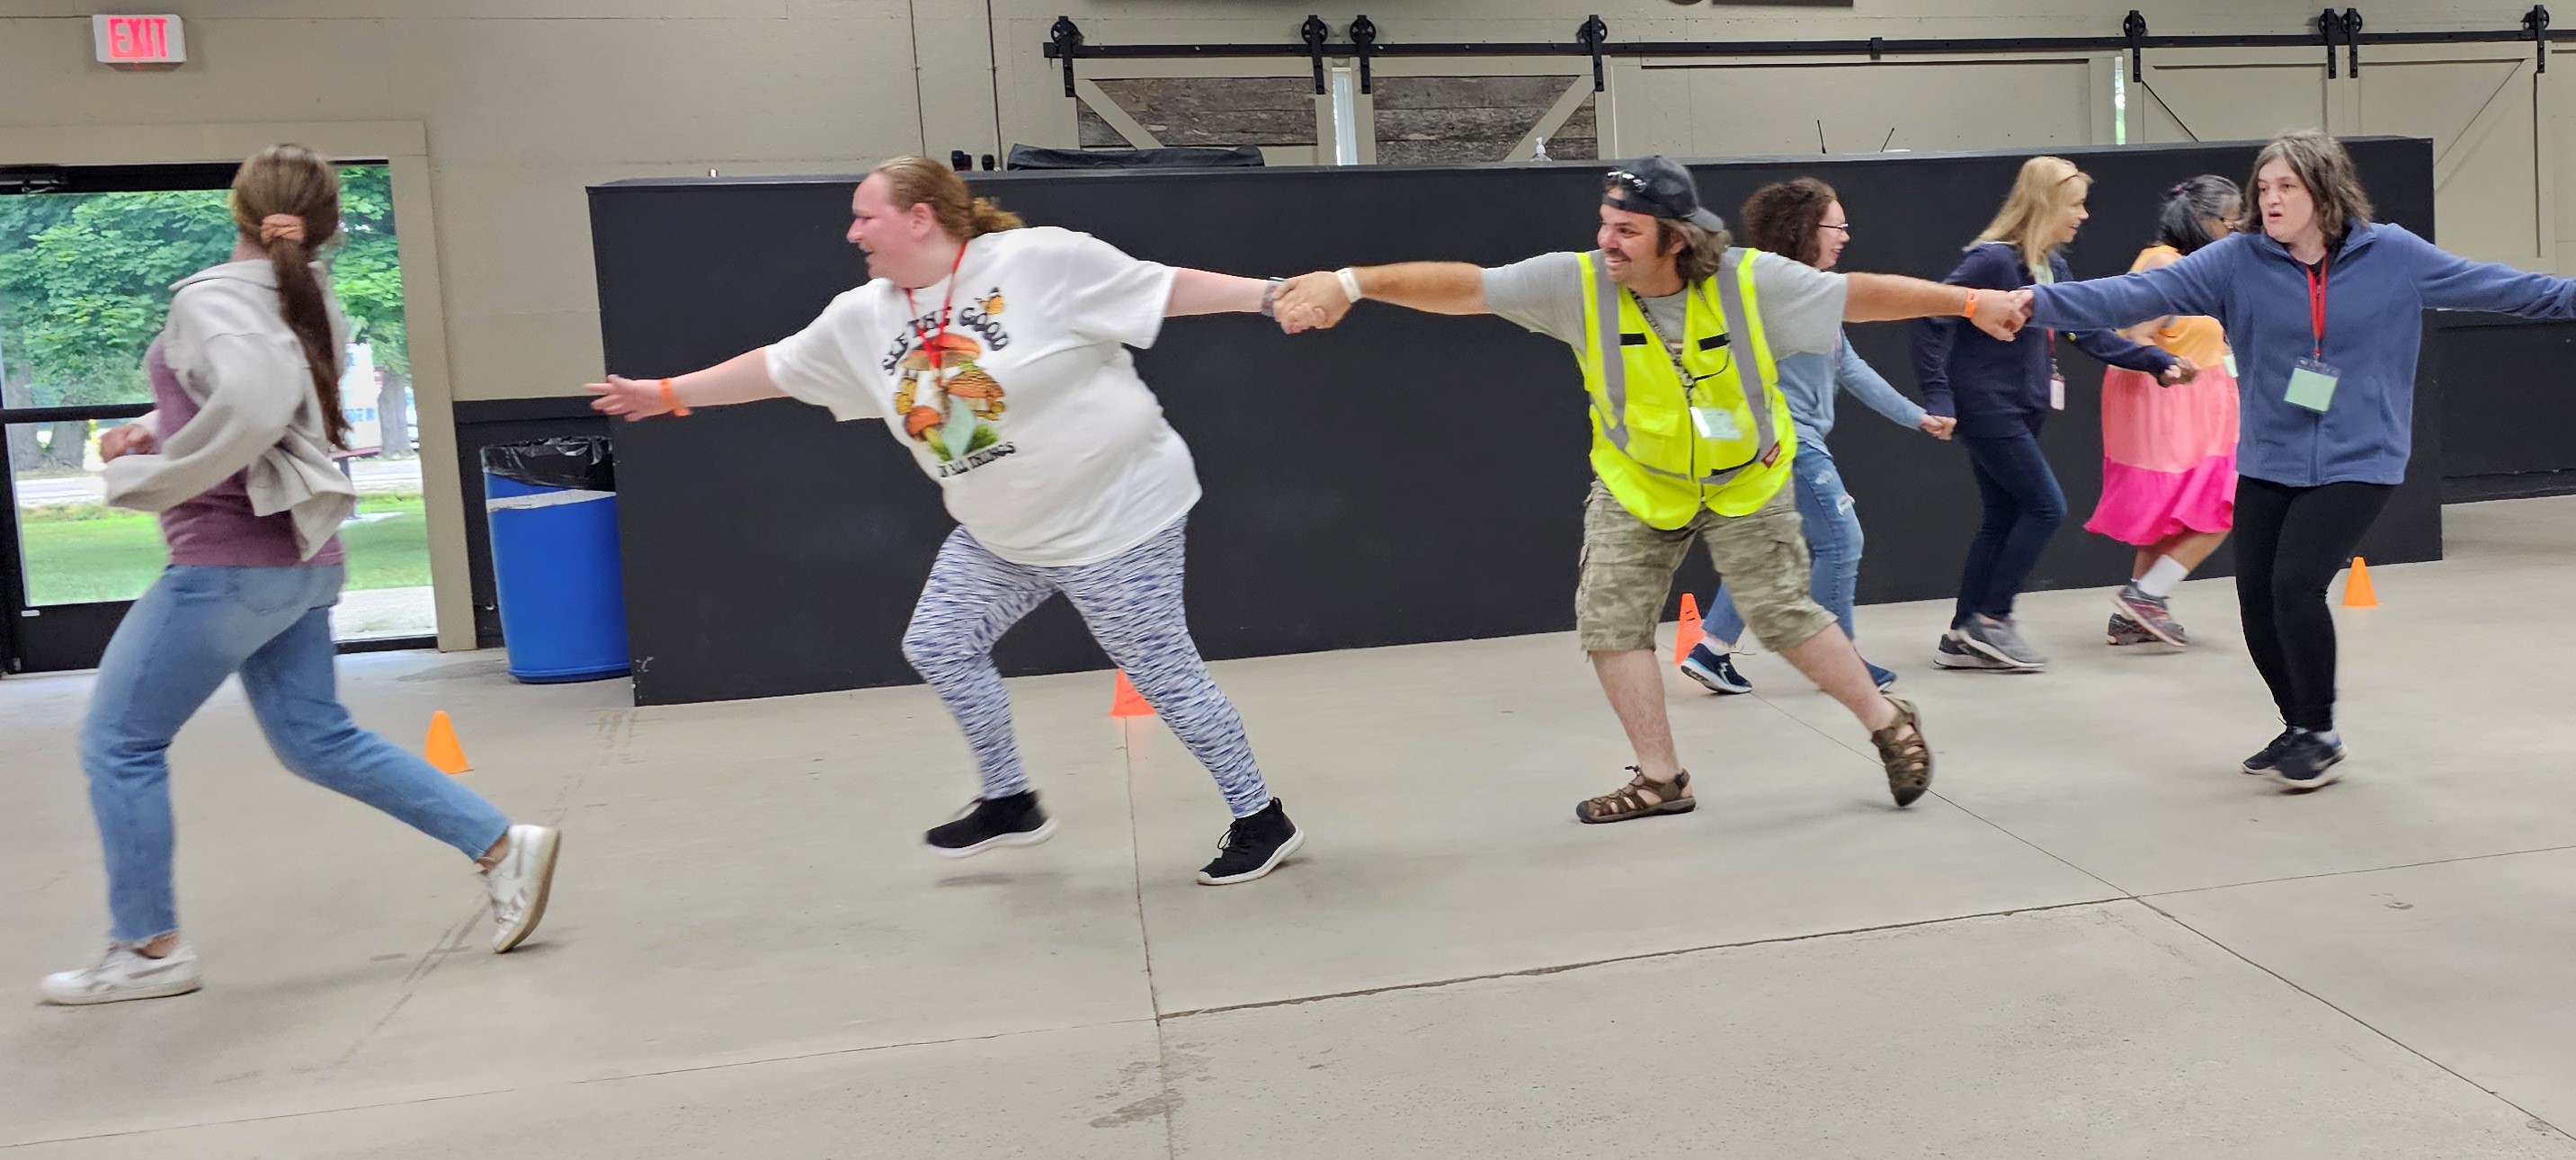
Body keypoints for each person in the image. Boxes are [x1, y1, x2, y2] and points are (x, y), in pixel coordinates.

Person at [587, 156, 1318, 884]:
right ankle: (1009, 801)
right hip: (1003, 534)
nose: (852, 233)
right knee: (938, 642)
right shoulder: (864, 316)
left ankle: (1261, 817)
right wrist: (666, 393)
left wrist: (1269, 296)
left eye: (865, 215)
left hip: (1117, 521)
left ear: (919, 217)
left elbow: (1162, 288)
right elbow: (775, 369)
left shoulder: (1038, 261)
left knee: (1164, 676)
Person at [1275, 156, 2037, 823]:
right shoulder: (1573, 283)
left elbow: (1860, 296)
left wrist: (1969, 303)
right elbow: (1464, 287)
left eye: (1628, 229)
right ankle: (1660, 778)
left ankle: (1885, 723)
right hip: (1637, 483)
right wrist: (1352, 283)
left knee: (1782, 616)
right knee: (1608, 622)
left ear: (1676, 238)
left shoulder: (1747, 281)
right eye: (1605, 223)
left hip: (1744, 479)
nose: (1608, 240)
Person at [41, 145, 562, 1006]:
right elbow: (265, 393)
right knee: (317, 741)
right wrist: (156, 427)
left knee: (119, 743)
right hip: (300, 563)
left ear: (238, 210)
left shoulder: (211, 298)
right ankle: (502, 845)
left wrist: (150, 475)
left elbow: (249, 404)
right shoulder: (306, 296)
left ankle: (147, 950)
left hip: (225, 567)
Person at [2024, 129, 2576, 790]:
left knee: (2294, 585)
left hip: (2361, 457)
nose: (2271, 198)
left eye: (2286, 186)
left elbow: (2513, 290)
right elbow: (2129, 297)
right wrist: (2031, 305)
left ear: (2324, 189)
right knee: (2255, 598)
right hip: (2268, 455)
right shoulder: (2237, 260)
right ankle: (2299, 724)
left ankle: (2317, 728)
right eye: (2263, 187)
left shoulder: (2393, 255)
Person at [1913, 156, 2197, 674]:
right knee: (2046, 508)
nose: (2084, 215)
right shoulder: (1992, 261)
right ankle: (1991, 622)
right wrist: (1939, 397)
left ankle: (1962, 634)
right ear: (2045, 205)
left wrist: (2157, 360)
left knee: (2002, 517)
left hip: (2022, 409)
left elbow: (2085, 331)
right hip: (1987, 409)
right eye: (2076, 205)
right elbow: (1934, 317)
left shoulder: (2052, 268)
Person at [1679, 178, 1955, 698]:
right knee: (1840, 540)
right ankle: (1840, 662)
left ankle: (1710, 649)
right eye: (1837, 226)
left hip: (1771, 439)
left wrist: (1916, 416)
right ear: (1805, 229)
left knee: (1768, 547)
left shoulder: (1810, 291)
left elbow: (1849, 366)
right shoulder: (1765, 288)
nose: (1846, 236)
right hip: (1785, 440)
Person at [2091, 176, 2244, 647]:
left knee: (2175, 515)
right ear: (2204, 221)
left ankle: (2136, 613)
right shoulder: (2164, 264)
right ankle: (2146, 596)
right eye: (2231, 220)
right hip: (2171, 406)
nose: (2237, 230)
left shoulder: (2194, 269)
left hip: (2199, 406)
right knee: (2221, 508)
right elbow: (2131, 334)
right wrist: (2169, 366)